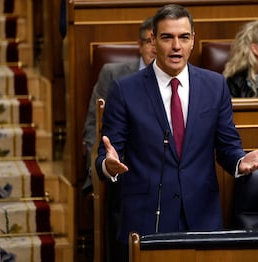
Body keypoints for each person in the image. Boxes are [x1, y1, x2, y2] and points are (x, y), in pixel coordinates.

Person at [95, 3, 258, 257]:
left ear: (192, 42)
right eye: (167, 37)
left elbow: (227, 145)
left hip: (201, 217)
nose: (176, 45)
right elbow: (107, 153)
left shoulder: (215, 85)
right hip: (147, 219)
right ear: (154, 41)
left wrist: (239, 161)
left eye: (183, 37)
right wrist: (108, 165)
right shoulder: (125, 90)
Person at [82, 17, 155, 262]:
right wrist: (97, 167)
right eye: (149, 41)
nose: (155, 48)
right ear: (140, 45)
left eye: (161, 40)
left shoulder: (186, 81)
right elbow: (93, 126)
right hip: (121, 166)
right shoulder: (113, 74)